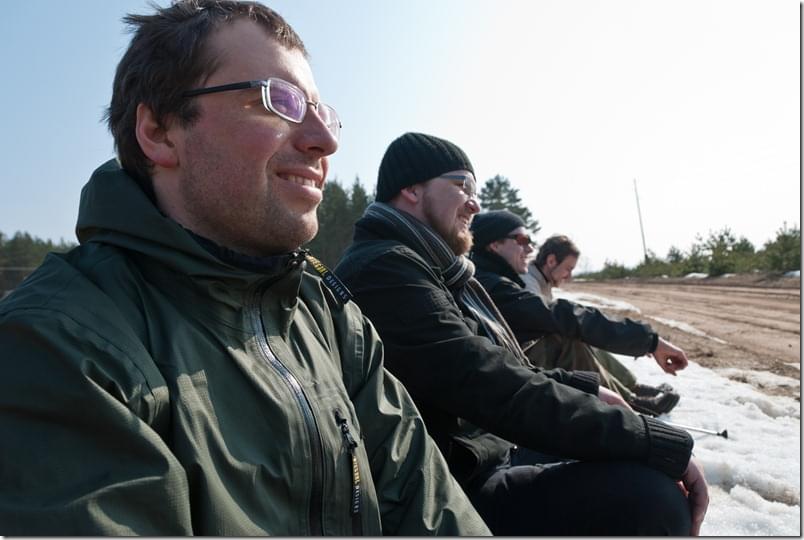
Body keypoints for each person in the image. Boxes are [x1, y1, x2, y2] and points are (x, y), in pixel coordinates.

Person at [0, 3, 491, 535]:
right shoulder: (59, 344)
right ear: (160, 132)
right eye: (278, 101)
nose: (325, 141)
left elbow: (429, 505)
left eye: (321, 112)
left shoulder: (328, 317)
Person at [335, 132, 708, 536]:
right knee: (652, 499)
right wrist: (651, 439)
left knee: (639, 472)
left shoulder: (428, 268)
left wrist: (588, 390)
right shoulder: (386, 270)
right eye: (463, 186)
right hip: (446, 487)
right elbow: (489, 382)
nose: (475, 204)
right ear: (411, 188)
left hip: (480, 451)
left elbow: (496, 365)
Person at [470, 212, 683, 415]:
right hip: (505, 381)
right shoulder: (496, 285)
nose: (530, 248)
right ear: (495, 244)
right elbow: (562, 316)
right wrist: (649, 341)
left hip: (506, 369)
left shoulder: (493, 279)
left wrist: (646, 341)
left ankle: (629, 395)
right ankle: (628, 405)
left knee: (572, 333)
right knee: (568, 338)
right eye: (523, 240)